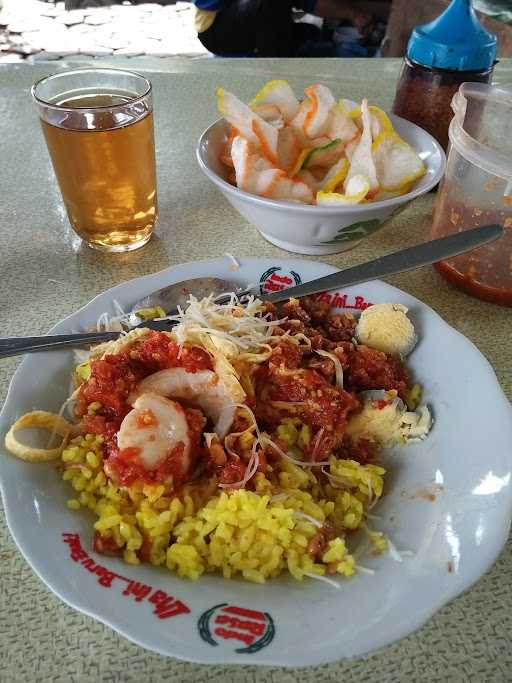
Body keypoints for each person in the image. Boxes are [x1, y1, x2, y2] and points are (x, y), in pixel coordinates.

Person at [193, 0, 374, 58]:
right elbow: (206, 2)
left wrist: (353, 15)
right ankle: (273, 65)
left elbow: (309, 2)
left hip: (246, 22)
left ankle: (280, 50)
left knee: (309, 33)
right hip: (216, 32)